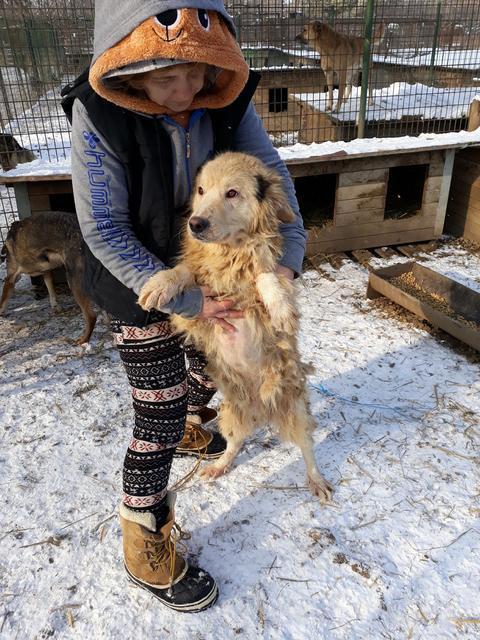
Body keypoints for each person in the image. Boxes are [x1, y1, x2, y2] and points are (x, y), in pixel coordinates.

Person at [62, 0, 306, 613]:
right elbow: (104, 229)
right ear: (129, 69)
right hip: (139, 283)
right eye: (168, 75)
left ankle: (200, 425)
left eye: (198, 72)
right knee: (161, 407)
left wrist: (285, 262)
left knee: (207, 370)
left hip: (217, 268)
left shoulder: (224, 98)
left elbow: (274, 181)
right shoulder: (100, 116)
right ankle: (141, 527)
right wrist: (195, 298)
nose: (187, 89)